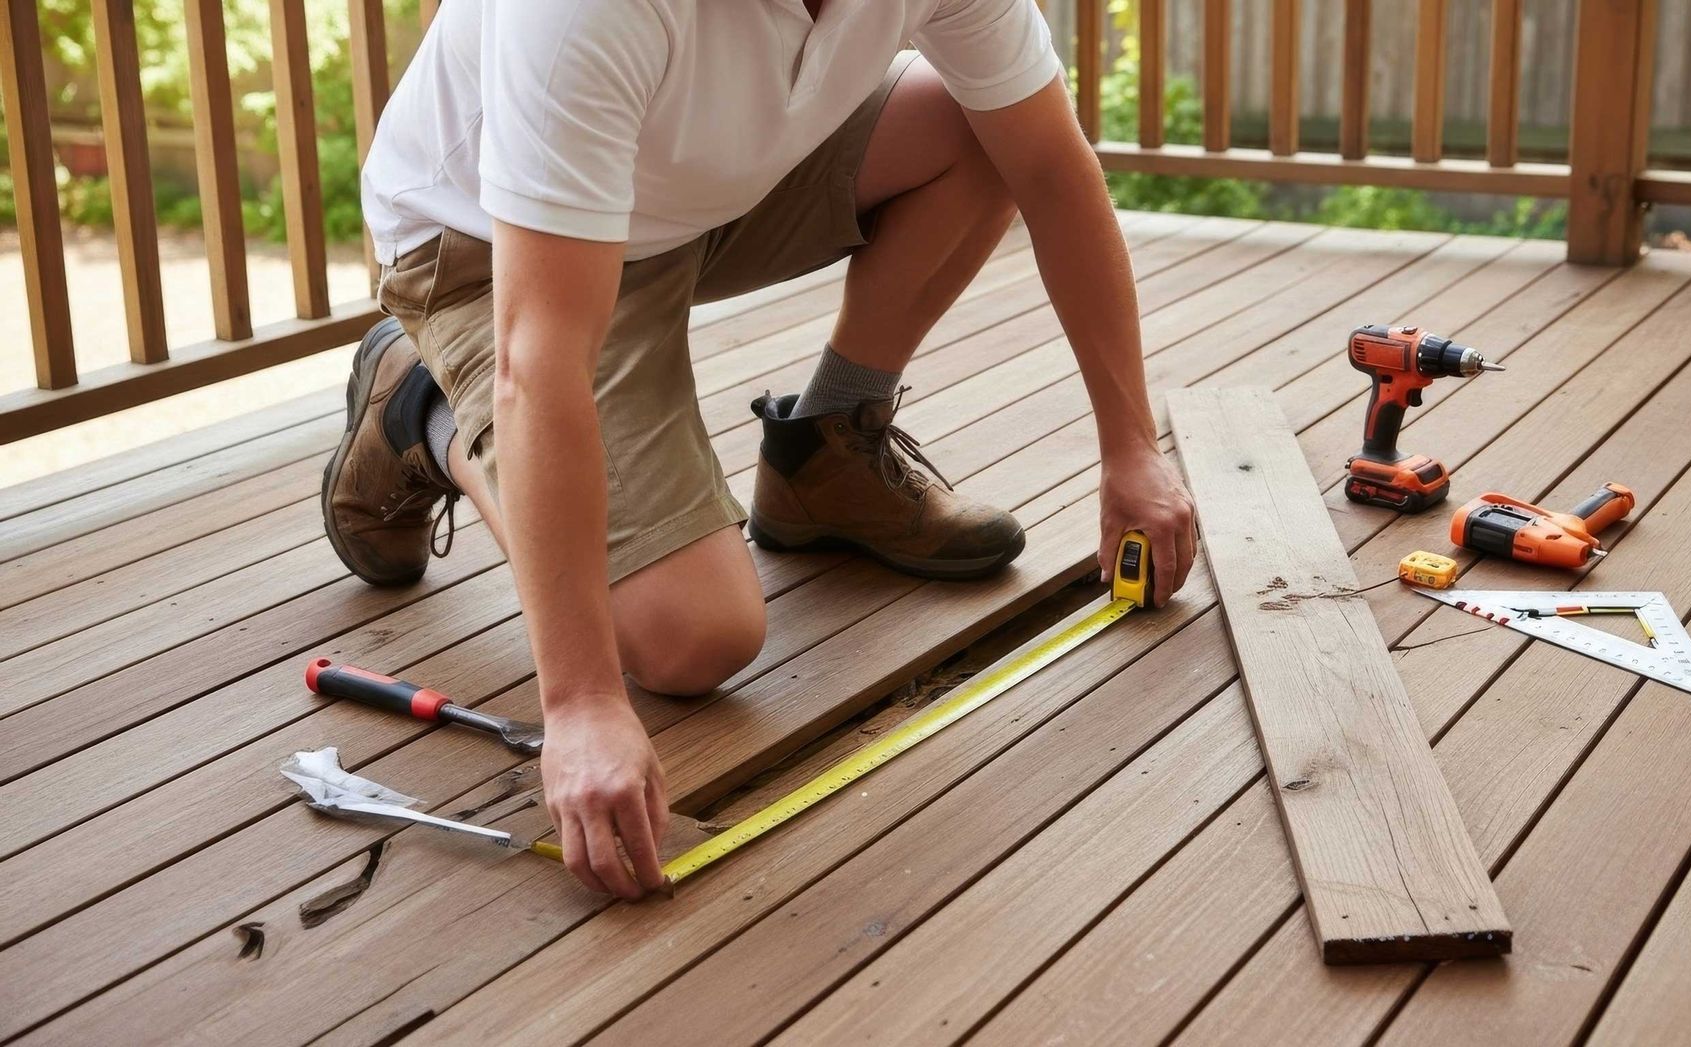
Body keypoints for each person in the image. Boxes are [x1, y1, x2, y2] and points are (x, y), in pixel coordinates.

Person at [323, 0, 1195, 900]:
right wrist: (580, 703)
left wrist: (1131, 450)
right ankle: (425, 411)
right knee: (694, 639)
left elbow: (1051, 165)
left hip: (693, 194)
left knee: (986, 127)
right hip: (485, 246)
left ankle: (827, 456)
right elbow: (541, 364)